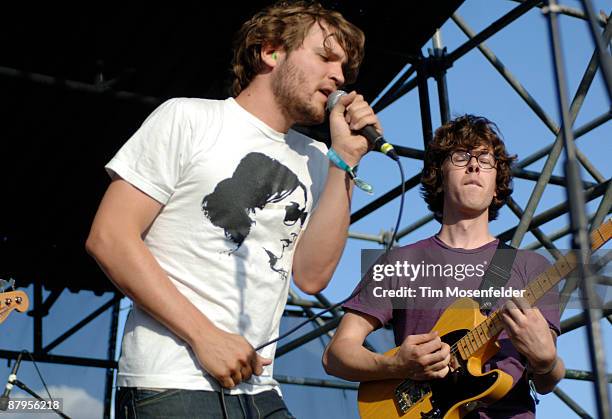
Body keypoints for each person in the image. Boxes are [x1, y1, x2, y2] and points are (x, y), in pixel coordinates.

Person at [85, 1, 381, 417]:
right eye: (325, 57)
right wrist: (205, 336)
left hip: (259, 388)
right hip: (172, 381)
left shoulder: (319, 158)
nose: (339, 76)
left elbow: (312, 276)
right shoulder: (188, 118)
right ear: (270, 52)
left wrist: (345, 162)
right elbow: (110, 237)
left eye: (345, 68)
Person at [323, 115, 565, 418]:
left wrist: (545, 362)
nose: (474, 165)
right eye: (461, 156)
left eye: (486, 160)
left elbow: (547, 381)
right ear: (439, 174)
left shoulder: (532, 266)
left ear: (497, 187)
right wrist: (395, 365)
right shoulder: (400, 262)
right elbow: (336, 355)